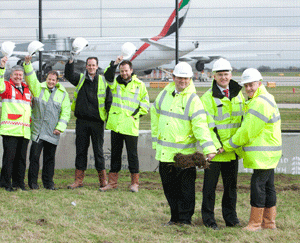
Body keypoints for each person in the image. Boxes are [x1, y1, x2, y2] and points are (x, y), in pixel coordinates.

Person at [151, 62, 217, 225]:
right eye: (180, 78)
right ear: (173, 78)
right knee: (169, 188)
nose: (183, 81)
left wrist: (209, 148)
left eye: (186, 78)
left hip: (185, 156)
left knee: (186, 190)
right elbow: (155, 115)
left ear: (190, 79)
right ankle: (175, 218)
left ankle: (185, 219)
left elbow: (201, 126)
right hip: (165, 153)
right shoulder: (164, 94)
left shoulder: (193, 100)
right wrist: (155, 141)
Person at [223, 68, 282, 232]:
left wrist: (228, 145)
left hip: (263, 153)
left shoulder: (260, 102)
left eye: (251, 85)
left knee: (258, 185)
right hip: (270, 152)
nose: (248, 88)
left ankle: (255, 224)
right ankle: (269, 223)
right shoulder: (265, 97)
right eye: (246, 85)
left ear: (259, 83)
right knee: (268, 186)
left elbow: (247, 131)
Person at [200, 58, 245, 230]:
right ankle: (209, 220)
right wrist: (217, 146)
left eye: (226, 74)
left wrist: (233, 145)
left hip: (232, 150)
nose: (224, 77)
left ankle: (231, 219)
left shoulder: (239, 94)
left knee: (231, 189)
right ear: (214, 76)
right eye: (220, 74)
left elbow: (242, 121)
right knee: (209, 189)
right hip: (216, 152)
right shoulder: (207, 98)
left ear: (231, 75)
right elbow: (207, 126)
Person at [100, 56, 149, 192]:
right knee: (115, 154)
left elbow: (145, 104)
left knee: (132, 155)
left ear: (131, 70)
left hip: (130, 126)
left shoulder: (139, 85)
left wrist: (135, 115)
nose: (124, 73)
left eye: (126, 71)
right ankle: (112, 183)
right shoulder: (115, 83)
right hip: (116, 125)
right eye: (121, 71)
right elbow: (108, 75)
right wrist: (114, 63)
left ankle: (135, 183)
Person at [23, 55, 71, 190]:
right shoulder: (39, 88)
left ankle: (48, 183)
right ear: (46, 79)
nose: (51, 82)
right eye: (49, 79)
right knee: (34, 158)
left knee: (49, 159)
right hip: (38, 131)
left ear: (57, 81)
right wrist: (28, 64)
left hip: (52, 131)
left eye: (53, 80)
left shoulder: (63, 94)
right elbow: (31, 78)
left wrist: (60, 128)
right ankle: (33, 184)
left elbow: (66, 113)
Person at [64, 56, 112, 189]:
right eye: (89, 65)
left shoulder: (103, 81)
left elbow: (108, 101)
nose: (91, 67)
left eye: (93, 65)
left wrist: (108, 121)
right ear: (86, 66)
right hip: (82, 122)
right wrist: (70, 61)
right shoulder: (80, 79)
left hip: (97, 123)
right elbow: (68, 74)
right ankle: (78, 180)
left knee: (99, 152)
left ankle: (103, 181)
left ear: (97, 66)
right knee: (81, 151)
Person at [0, 57, 31, 192]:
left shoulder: (27, 88)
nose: (18, 77)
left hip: (24, 131)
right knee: (9, 159)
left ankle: (19, 183)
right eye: (16, 75)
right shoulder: (6, 86)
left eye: (20, 75)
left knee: (21, 160)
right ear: (11, 76)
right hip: (10, 130)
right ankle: (6, 184)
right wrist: (2, 68)